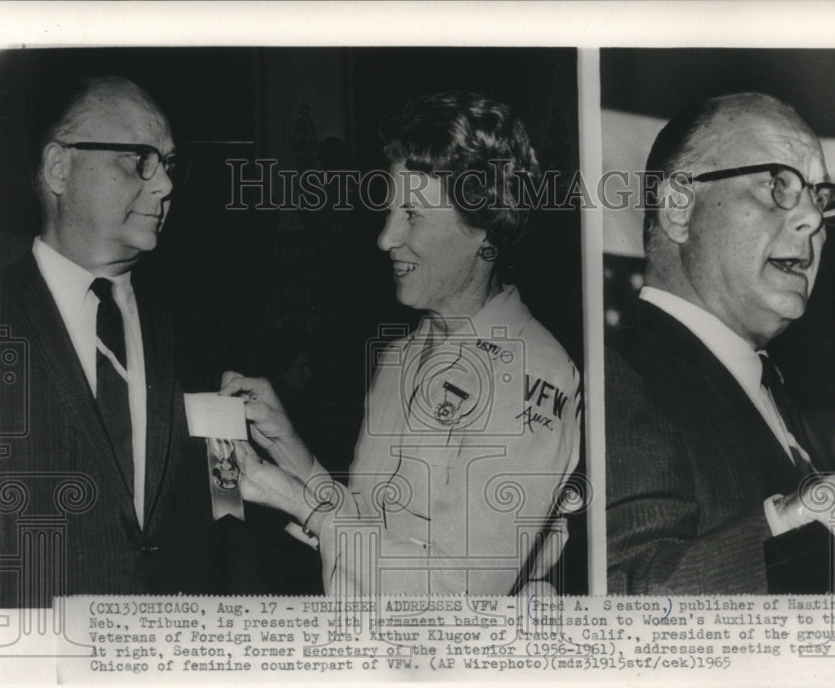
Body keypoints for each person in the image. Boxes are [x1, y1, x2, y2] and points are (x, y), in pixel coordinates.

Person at [222, 91, 582, 596]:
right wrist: (286, 447)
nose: (385, 238)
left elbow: (462, 593)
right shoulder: (401, 356)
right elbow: (370, 531)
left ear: (483, 226)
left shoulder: (534, 374)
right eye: (389, 211)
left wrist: (297, 502)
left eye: (412, 214)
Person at [605, 92, 835, 594]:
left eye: (820, 197)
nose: (812, 218)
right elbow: (622, 604)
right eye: (776, 185)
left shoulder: (767, 391)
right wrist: (788, 519)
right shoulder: (616, 372)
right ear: (679, 208)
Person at [0, 76, 224, 606]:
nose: (164, 184)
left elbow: (227, 506)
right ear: (60, 167)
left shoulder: (199, 336)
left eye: (168, 163)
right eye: (139, 158)